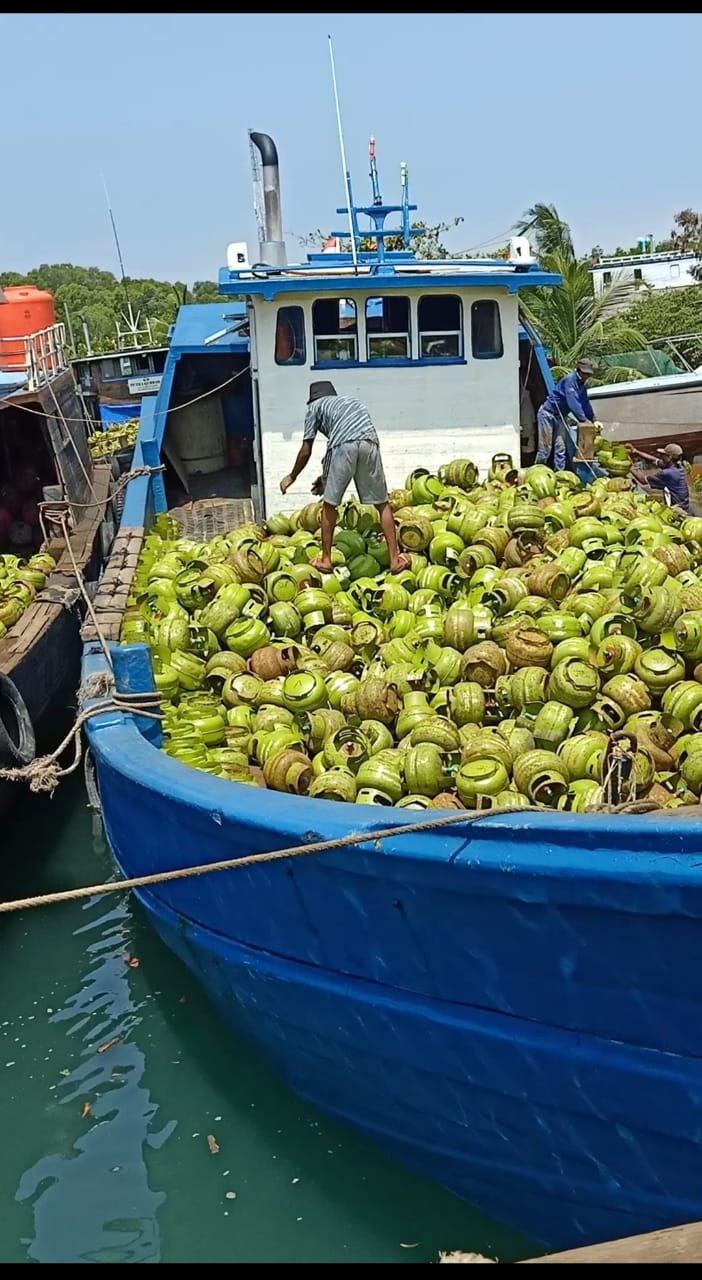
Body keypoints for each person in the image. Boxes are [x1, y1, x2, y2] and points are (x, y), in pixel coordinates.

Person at [279, 381, 410, 574]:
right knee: (383, 504)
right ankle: (394, 560)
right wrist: (325, 478)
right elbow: (339, 449)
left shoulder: (314, 407)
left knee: (329, 506)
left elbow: (307, 450)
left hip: (344, 446)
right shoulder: (348, 402)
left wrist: (292, 476)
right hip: (370, 442)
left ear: (312, 399)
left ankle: (325, 560)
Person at [535, 358, 598, 471]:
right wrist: (584, 420)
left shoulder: (581, 386)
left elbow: (585, 403)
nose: (586, 376)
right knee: (545, 448)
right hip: (547, 414)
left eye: (588, 374)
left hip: (560, 416)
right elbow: (573, 403)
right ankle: (537, 471)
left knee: (561, 447)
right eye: (584, 373)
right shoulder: (570, 380)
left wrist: (594, 419)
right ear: (578, 370)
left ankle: (560, 473)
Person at [629, 441, 690, 512]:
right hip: (686, 507)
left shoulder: (667, 473)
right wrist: (636, 451)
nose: (661, 456)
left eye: (663, 455)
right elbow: (654, 460)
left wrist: (628, 465)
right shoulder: (678, 467)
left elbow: (642, 480)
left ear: (669, 457)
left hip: (677, 510)